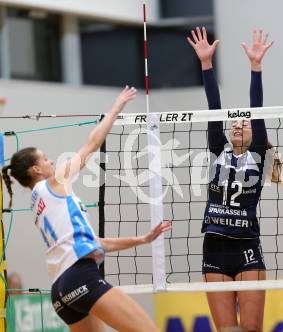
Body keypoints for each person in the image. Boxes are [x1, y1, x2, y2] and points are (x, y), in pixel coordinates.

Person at [1, 87, 172, 332]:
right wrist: (115, 109)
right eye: (45, 158)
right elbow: (91, 145)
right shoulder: (54, 182)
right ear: (36, 170)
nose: (51, 161)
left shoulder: (40, 204)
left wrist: (143, 239)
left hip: (61, 292)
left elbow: (96, 242)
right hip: (81, 276)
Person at [187, 27, 275, 331]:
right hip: (214, 247)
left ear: (255, 133)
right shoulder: (217, 150)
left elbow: (258, 108)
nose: (238, 124)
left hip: (247, 247)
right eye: (235, 121)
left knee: (251, 329)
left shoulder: (259, 156)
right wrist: (206, 64)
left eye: (245, 123)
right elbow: (214, 108)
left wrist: (256, 67)